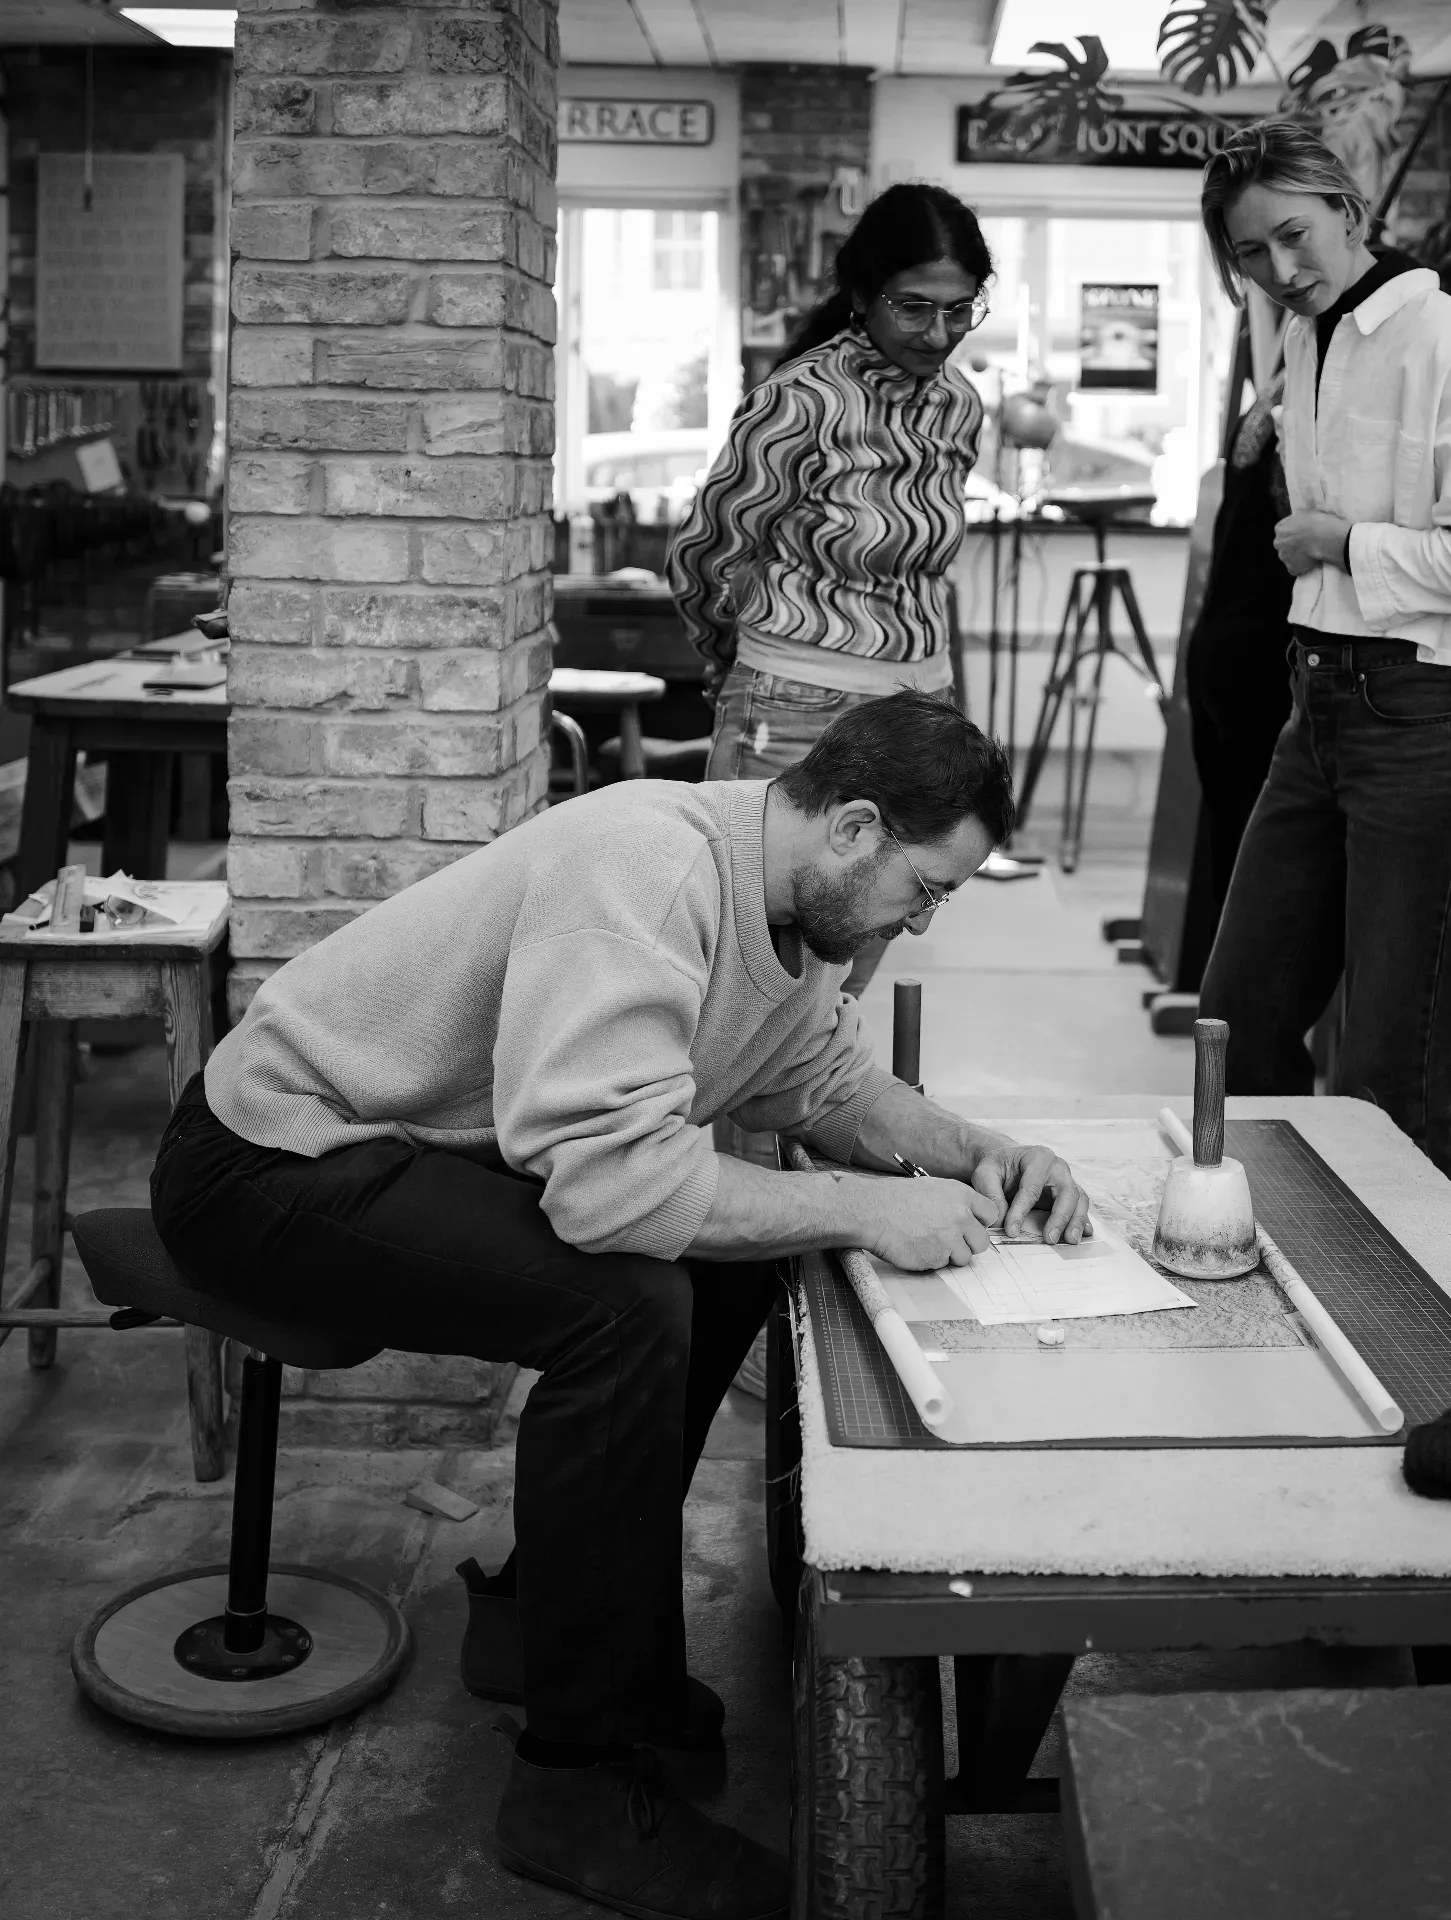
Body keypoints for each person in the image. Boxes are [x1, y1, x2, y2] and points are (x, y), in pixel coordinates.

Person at [149, 693, 1090, 1920]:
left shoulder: (792, 910)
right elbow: (605, 1188)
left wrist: (973, 1152)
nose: (920, 921)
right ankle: (571, 1783)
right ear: (855, 828)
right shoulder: (648, 868)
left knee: (733, 1256)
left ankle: (543, 1609)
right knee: (628, 1305)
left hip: (404, 1149)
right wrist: (865, 1210)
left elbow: (820, 1077)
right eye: (927, 889)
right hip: (268, 1158)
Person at [1194, 120, 1451, 1176]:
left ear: (1350, 210)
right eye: (1250, 253)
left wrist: (1344, 543)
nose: (1278, 270)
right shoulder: (1303, 342)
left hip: (1432, 715)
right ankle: (1274, 1243)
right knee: (1239, 1015)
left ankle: (1403, 1319)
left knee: (1392, 1060)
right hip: (1322, 705)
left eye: (1293, 236)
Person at [671, 182, 993, 995]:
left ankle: (820, 1122)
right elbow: (705, 554)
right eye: (914, 307)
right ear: (860, 295)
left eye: (961, 310)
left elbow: (928, 568)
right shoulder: (800, 400)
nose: (939, 332)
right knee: (751, 984)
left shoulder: (958, 405)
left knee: (847, 978)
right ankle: (742, 1130)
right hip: (795, 706)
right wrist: (728, 665)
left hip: (918, 711)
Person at [1184, 374, 1295, 958]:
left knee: (1235, 844)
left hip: (1222, 647)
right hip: (1257, 660)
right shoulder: (1303, 403)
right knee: (1257, 858)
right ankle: (1233, 1020)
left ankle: (1221, 1011)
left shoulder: (1268, 399)